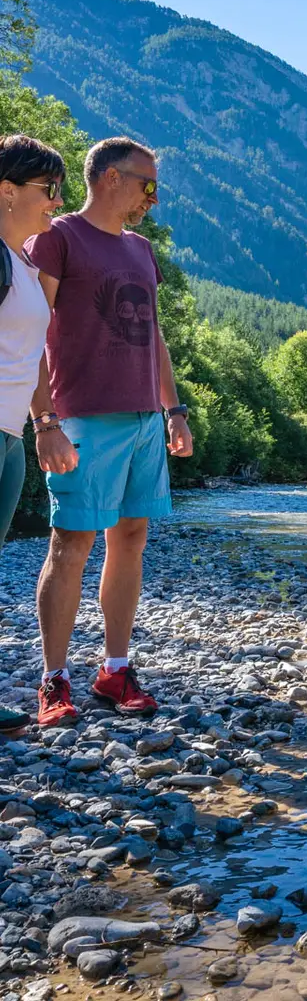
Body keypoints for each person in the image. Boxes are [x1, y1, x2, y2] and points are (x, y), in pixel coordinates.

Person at [26, 137, 193, 728]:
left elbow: (156, 336)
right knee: (71, 544)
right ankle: (54, 679)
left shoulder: (142, 250)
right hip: (83, 418)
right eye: (148, 185)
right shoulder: (58, 238)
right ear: (113, 178)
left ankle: (114, 670)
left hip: (146, 418)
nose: (154, 197)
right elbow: (29, 333)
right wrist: (44, 420)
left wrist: (174, 411)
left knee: (132, 538)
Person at [0, 135, 70, 734]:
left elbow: (31, 356)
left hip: (11, 435)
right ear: (7, 190)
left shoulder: (23, 261)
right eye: (49, 190)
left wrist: (43, 422)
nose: (57, 201)